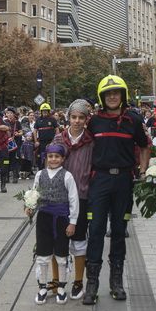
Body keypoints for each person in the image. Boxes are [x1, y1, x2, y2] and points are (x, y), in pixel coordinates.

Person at [82, 75, 149, 305]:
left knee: (119, 232)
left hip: (123, 181)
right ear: (102, 97)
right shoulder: (94, 122)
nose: (112, 96)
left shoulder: (132, 120)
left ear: (123, 95)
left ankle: (116, 282)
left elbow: (144, 146)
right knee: (97, 230)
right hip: (99, 181)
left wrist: (142, 171)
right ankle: (92, 284)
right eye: (108, 93)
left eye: (116, 93)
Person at [52, 98, 94, 299]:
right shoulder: (59, 140)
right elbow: (50, 166)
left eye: (81, 118)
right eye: (74, 117)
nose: (77, 121)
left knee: (78, 239)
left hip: (82, 195)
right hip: (59, 199)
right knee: (57, 240)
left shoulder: (91, 141)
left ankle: (78, 280)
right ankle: (56, 281)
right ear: (68, 117)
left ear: (86, 120)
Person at [29, 143, 79, 305]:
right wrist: (29, 207)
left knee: (61, 255)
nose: (53, 159)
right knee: (43, 255)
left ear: (63, 159)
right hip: (44, 218)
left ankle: (61, 288)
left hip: (61, 219)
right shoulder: (40, 175)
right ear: (46, 158)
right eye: (50, 156)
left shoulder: (67, 176)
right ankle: (43, 287)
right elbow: (34, 194)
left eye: (57, 156)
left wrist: (72, 223)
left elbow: (74, 200)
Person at [34, 103, 59, 171]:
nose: (45, 112)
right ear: (41, 111)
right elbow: (35, 131)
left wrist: (56, 140)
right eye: (43, 111)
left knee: (51, 155)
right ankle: (42, 170)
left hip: (51, 142)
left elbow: (57, 129)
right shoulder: (38, 120)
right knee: (42, 156)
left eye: (46, 111)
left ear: (48, 111)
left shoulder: (52, 119)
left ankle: (51, 169)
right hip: (41, 142)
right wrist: (36, 141)